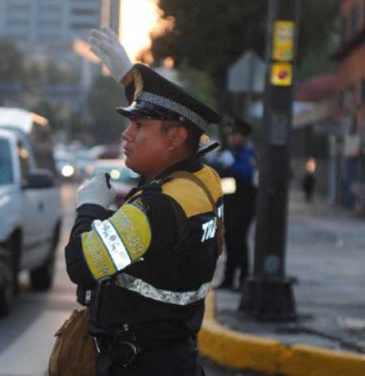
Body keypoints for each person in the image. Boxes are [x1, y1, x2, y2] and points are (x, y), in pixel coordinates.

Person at [63, 27, 224, 376]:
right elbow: (166, 117)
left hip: (136, 365)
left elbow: (79, 263)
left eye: (138, 126)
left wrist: (90, 207)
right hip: (175, 357)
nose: (126, 134)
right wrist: (130, 78)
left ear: (176, 138)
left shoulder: (157, 208)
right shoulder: (202, 181)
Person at [213, 118, 257, 291]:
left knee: (240, 242)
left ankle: (244, 279)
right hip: (230, 204)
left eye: (235, 134)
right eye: (230, 134)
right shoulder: (229, 153)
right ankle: (229, 279)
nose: (231, 137)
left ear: (243, 136)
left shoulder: (247, 155)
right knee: (230, 241)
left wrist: (229, 167)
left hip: (244, 204)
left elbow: (246, 173)